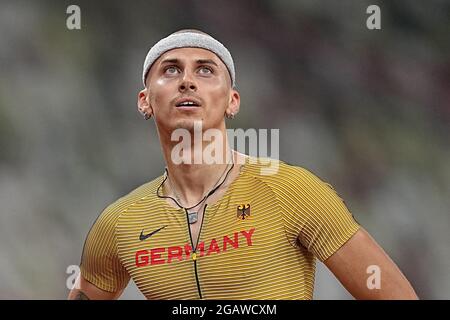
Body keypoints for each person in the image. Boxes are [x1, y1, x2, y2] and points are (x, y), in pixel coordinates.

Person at [68, 29, 418, 300]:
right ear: (145, 101)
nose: (187, 80)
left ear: (232, 101)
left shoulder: (291, 190)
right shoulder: (119, 224)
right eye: (171, 70)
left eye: (205, 70)